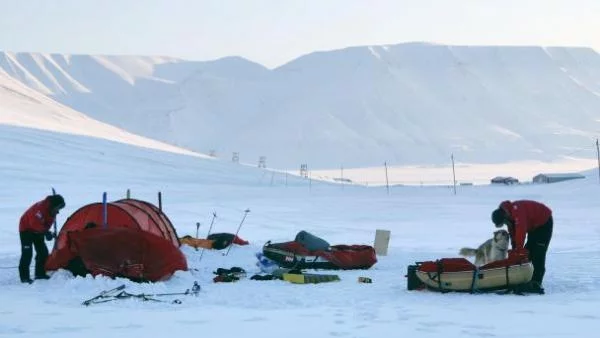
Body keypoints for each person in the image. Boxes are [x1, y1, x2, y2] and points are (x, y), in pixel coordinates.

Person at [491, 200, 553, 294]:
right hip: (534, 226)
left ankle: (536, 282)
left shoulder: (517, 210)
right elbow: (513, 233)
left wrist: (519, 249)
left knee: (538, 252)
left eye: (503, 222)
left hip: (544, 222)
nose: (505, 224)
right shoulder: (510, 217)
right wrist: (515, 248)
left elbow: (521, 230)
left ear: (504, 216)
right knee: (528, 251)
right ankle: (527, 278)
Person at [18, 194, 66, 283]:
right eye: (58, 208)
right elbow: (34, 223)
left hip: (38, 232)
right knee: (27, 254)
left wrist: (48, 233)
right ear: (53, 205)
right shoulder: (40, 209)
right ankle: (24, 277)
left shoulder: (52, 212)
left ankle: (39, 274)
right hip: (26, 229)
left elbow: (46, 224)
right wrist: (45, 232)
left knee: (43, 252)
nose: (58, 211)